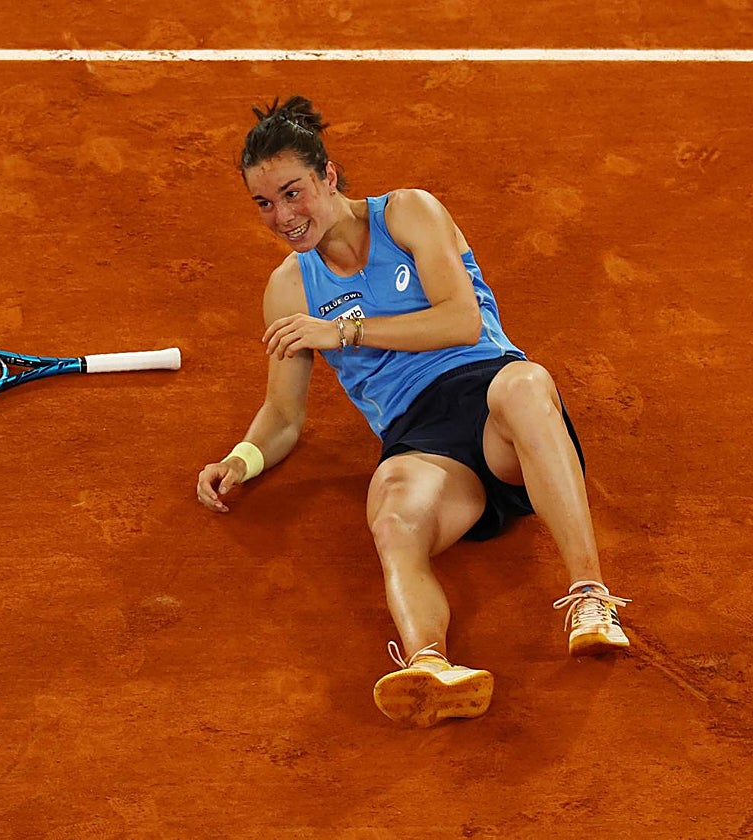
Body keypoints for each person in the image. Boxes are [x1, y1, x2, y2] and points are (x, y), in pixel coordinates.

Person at [195, 95, 630, 728]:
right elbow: (284, 415)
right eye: (264, 203)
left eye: (294, 193)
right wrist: (241, 458)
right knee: (392, 510)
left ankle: (591, 599)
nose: (283, 217)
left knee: (527, 385)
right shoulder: (289, 288)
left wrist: (343, 333)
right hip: (420, 442)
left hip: (493, 408)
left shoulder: (408, 214)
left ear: (328, 176)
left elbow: (461, 321)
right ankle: (430, 665)